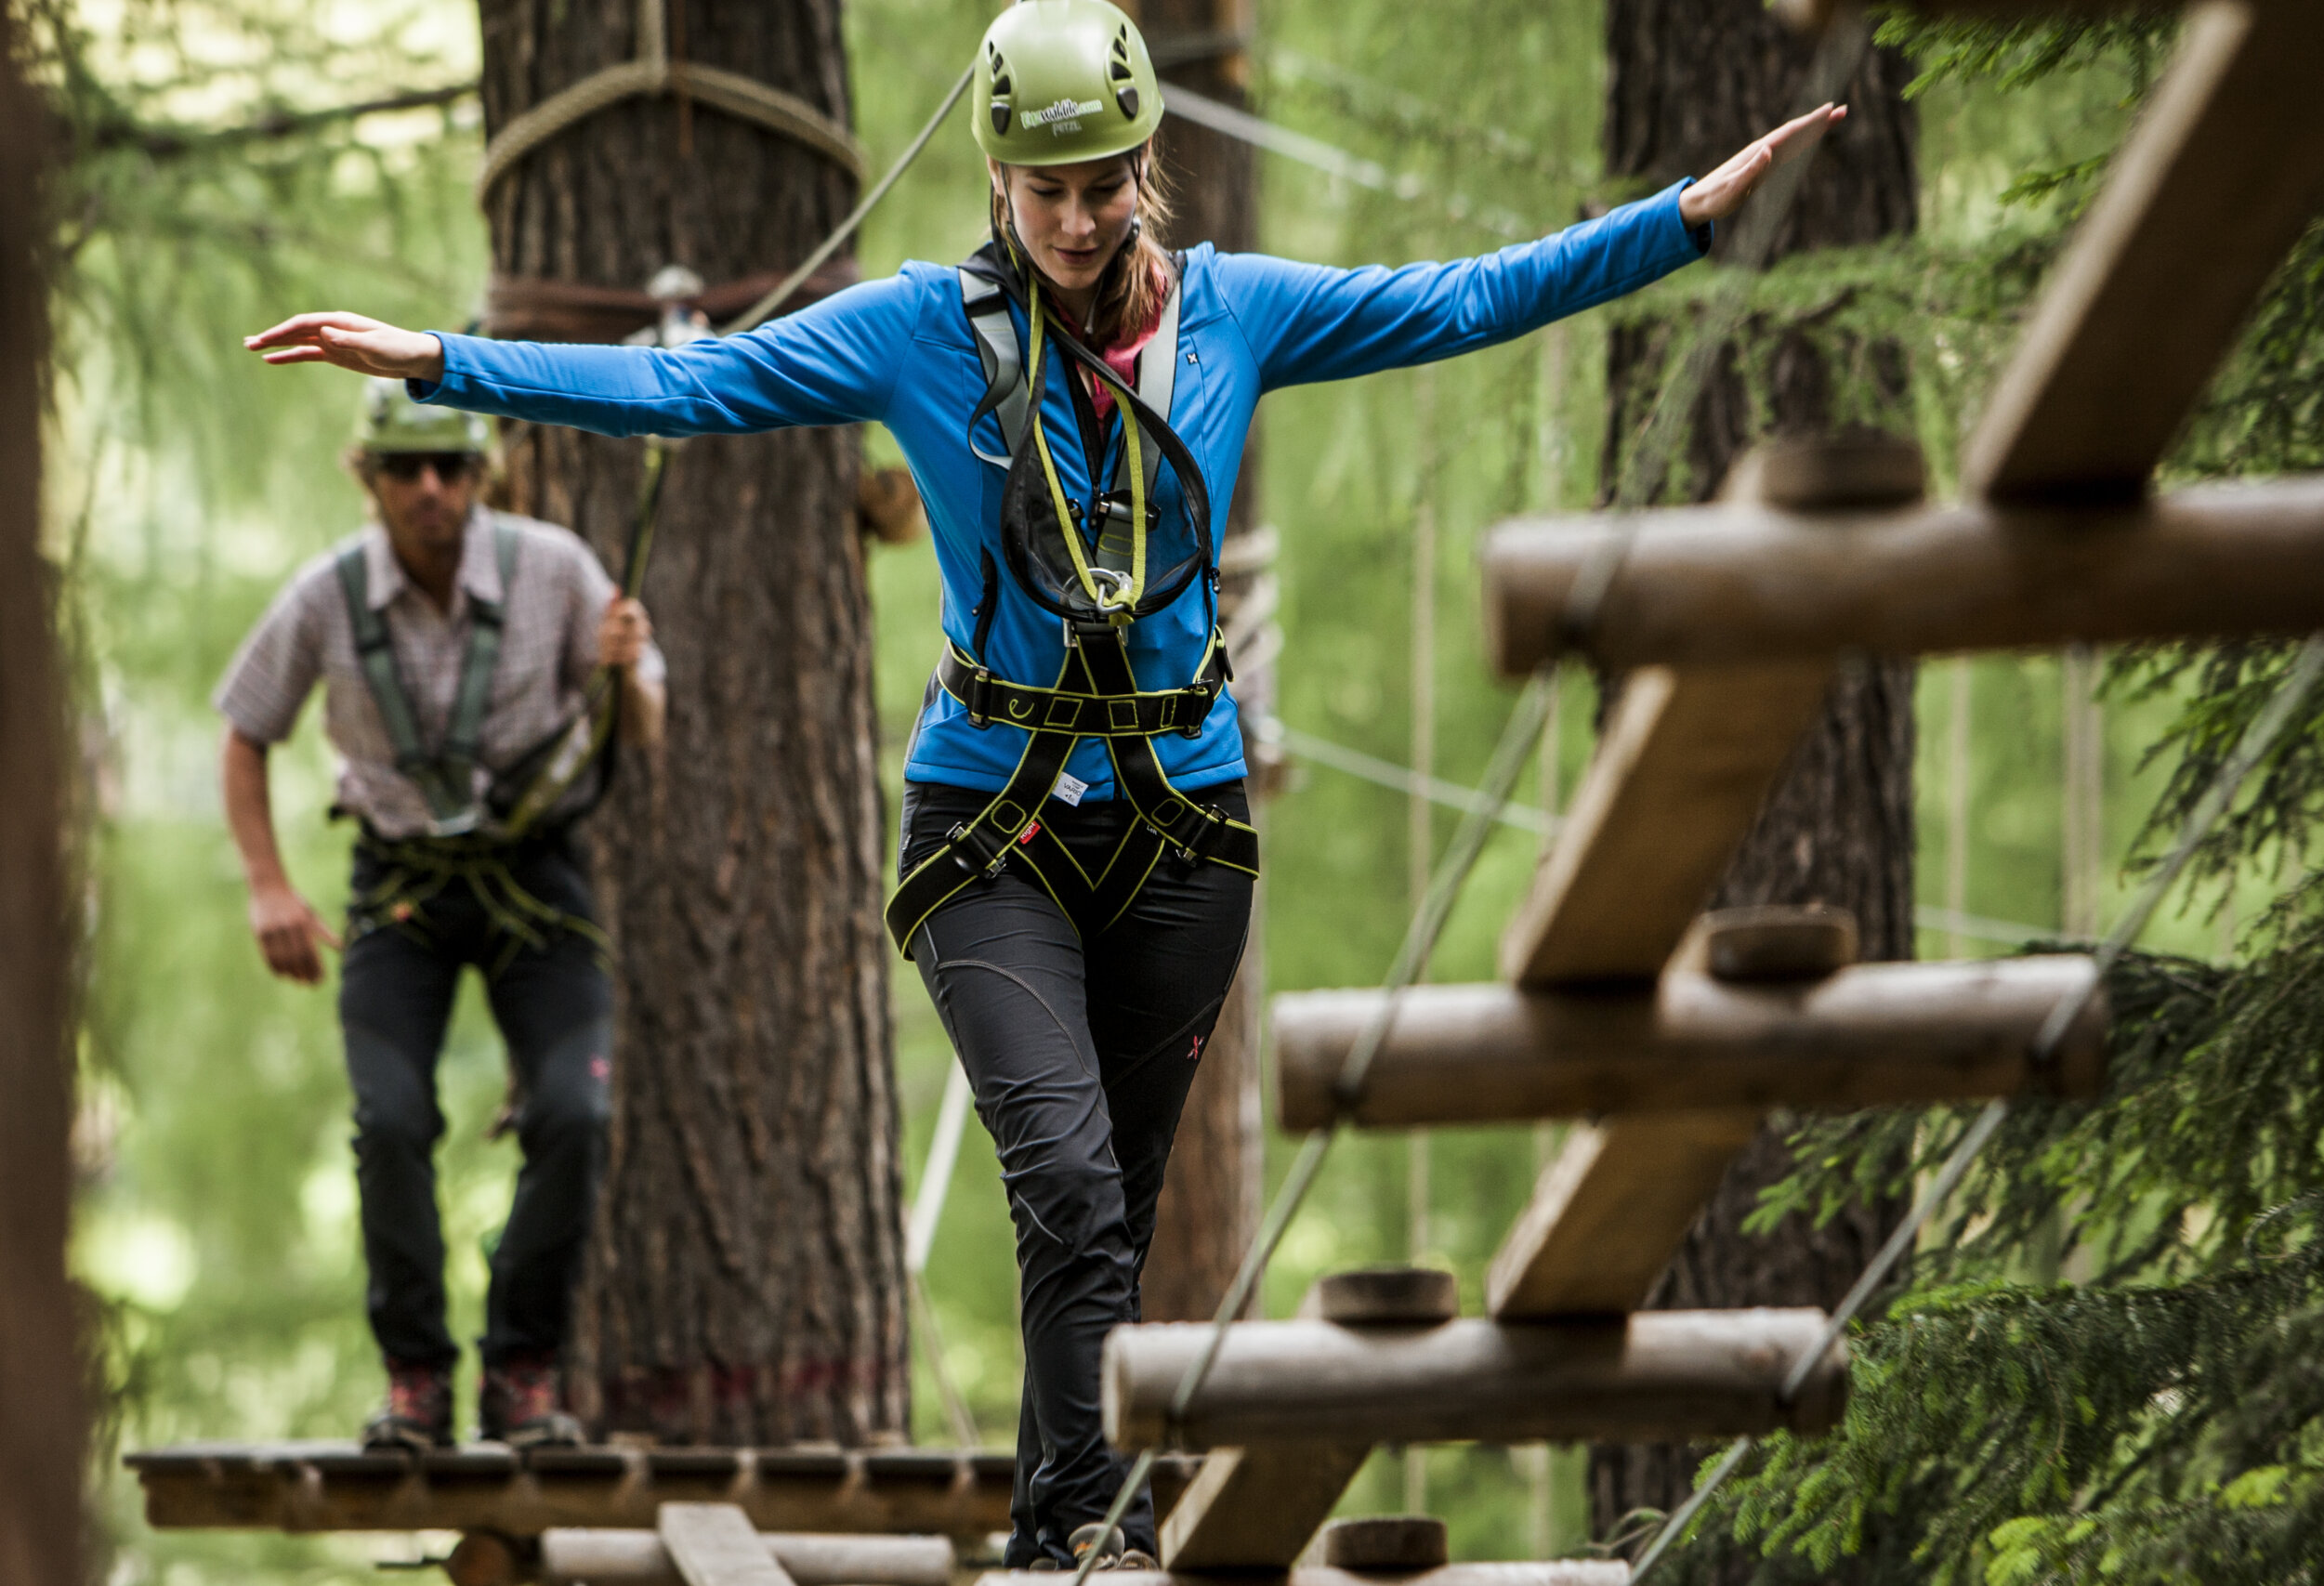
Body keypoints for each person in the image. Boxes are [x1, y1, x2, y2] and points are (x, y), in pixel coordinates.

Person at [245, 0, 1841, 1555]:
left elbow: (1461, 298)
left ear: (1144, 166)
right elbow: (691, 386)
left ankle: (1067, 1522)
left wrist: (1682, 220)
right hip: (990, 818)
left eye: (1100, 187)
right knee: (1067, 1169)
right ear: (998, 181)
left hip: (1183, 819)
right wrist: (442, 361)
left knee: (1110, 1208)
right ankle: (1089, 1521)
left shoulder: (1235, 312)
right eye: (1045, 191)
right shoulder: (919, 334)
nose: (1074, 222)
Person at [215, 379, 666, 1449]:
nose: (431, 489)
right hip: (400, 888)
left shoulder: (553, 569)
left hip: (534, 879)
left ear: (480, 474)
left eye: (451, 468)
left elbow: (643, 723)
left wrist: (623, 677)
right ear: (367, 479)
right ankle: (415, 1378)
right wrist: (267, 883)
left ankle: (523, 1369)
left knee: (576, 1114)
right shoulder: (326, 597)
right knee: (392, 1122)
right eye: (406, 469)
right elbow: (245, 729)